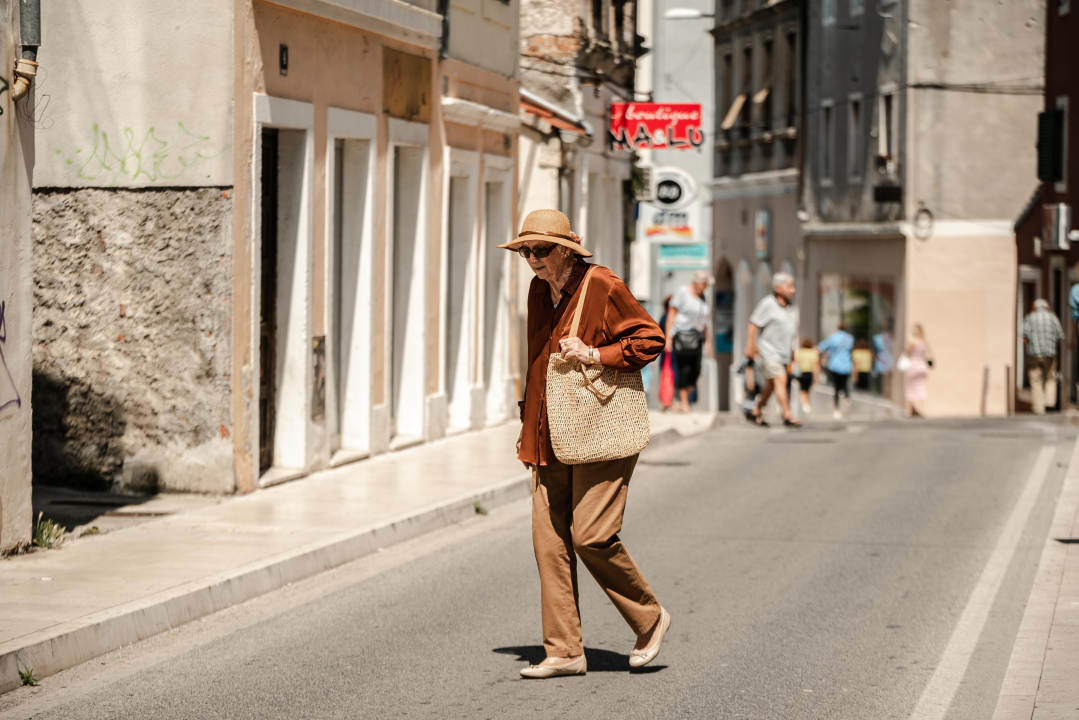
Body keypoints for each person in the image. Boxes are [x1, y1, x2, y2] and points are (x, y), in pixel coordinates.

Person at [501, 209, 671, 679]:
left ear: (566, 251)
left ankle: (649, 617)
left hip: (600, 428)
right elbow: (537, 358)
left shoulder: (602, 286)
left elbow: (651, 338)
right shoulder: (539, 290)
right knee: (548, 542)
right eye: (525, 251)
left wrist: (596, 353)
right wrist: (527, 422)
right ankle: (564, 651)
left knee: (590, 535)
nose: (532, 259)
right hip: (549, 431)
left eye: (540, 250)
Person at [745, 272, 799, 427]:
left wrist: (792, 351)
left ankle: (755, 411)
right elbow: (753, 323)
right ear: (778, 288)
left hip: (783, 353)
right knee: (781, 379)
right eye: (789, 286)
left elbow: (788, 331)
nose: (793, 290)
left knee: (772, 384)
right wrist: (749, 346)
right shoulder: (768, 304)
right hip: (769, 352)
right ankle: (787, 415)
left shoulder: (790, 307)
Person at [665, 270, 712, 413]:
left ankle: (682, 399)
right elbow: (671, 314)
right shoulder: (683, 292)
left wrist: (708, 342)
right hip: (682, 336)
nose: (706, 287)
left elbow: (704, 322)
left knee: (696, 370)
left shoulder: (703, 298)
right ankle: (684, 402)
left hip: (697, 337)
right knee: (684, 369)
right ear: (696, 282)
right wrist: (668, 337)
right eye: (704, 284)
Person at [1023, 298, 1065, 415]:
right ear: (1047, 307)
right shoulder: (1052, 317)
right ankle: (1049, 404)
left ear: (1035, 308)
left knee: (1036, 380)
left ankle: (1038, 409)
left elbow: (1023, 337)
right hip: (1050, 354)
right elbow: (1060, 336)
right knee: (1050, 378)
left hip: (1034, 354)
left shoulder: (1030, 317)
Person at [818, 323, 854, 420]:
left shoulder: (833, 337)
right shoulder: (850, 338)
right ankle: (847, 400)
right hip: (846, 365)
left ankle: (837, 409)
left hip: (835, 365)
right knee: (845, 384)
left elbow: (821, 347)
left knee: (836, 387)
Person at [904, 323, 933, 417]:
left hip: (913, 366)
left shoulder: (913, 342)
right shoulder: (925, 342)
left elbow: (908, 353)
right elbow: (927, 355)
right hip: (923, 367)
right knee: (921, 388)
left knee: (911, 388)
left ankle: (909, 411)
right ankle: (921, 410)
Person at [794, 338, 820, 417]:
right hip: (809, 373)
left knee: (802, 390)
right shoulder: (813, 353)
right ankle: (806, 404)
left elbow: (796, 362)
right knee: (807, 389)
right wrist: (817, 377)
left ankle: (804, 404)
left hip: (801, 373)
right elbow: (816, 365)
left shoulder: (799, 352)